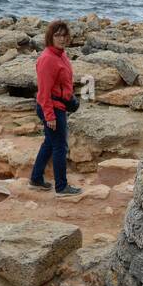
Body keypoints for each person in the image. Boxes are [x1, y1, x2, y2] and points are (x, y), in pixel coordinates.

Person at [29, 19, 82, 196]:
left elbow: (63, 82)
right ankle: (61, 187)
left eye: (63, 35)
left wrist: (70, 98)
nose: (61, 38)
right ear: (50, 37)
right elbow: (43, 92)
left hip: (59, 104)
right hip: (50, 107)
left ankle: (36, 179)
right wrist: (49, 116)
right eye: (57, 35)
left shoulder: (62, 54)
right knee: (60, 146)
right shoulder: (47, 59)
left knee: (49, 144)